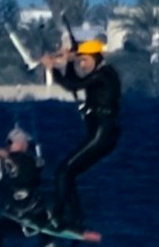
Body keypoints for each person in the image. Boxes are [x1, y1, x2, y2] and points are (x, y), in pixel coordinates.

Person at [40, 36, 122, 232]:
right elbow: (75, 81)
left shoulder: (104, 75)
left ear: (96, 58)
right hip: (100, 132)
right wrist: (68, 62)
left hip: (104, 133)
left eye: (85, 61)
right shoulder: (98, 74)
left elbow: (72, 86)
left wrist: (52, 68)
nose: (83, 65)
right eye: (80, 61)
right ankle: (75, 221)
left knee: (63, 170)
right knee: (69, 173)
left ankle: (57, 217)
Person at [0, 124, 53, 247]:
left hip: (32, 213)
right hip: (16, 215)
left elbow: (27, 171)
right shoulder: (4, 162)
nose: (27, 144)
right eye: (25, 142)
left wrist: (5, 157)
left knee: (45, 229)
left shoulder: (33, 160)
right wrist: (1, 158)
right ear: (17, 143)